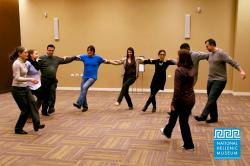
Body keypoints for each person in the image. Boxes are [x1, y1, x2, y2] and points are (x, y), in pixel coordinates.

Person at [194, 39, 246, 123]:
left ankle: (203, 116)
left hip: (220, 80)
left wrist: (241, 70)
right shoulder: (210, 54)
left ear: (212, 45)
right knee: (212, 99)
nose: (206, 48)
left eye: (207, 46)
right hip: (210, 79)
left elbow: (232, 62)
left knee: (211, 98)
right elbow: (199, 54)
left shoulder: (221, 53)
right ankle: (214, 118)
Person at [160, 49, 195, 151]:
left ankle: (189, 145)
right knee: (174, 114)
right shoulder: (192, 68)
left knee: (183, 122)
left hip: (182, 100)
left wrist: (172, 103)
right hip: (191, 99)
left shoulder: (179, 70)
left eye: (178, 56)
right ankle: (167, 131)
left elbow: (177, 90)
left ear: (182, 58)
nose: (177, 58)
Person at [9, 46, 45, 134]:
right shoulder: (16, 63)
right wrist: (30, 79)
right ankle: (18, 129)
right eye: (25, 52)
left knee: (33, 103)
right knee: (25, 110)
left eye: (27, 52)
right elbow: (17, 78)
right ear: (19, 54)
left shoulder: (25, 62)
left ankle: (37, 124)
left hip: (25, 87)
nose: (27, 54)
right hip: (17, 89)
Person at [73, 45, 116, 112]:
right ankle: (85, 106)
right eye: (88, 50)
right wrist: (66, 58)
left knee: (84, 87)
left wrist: (116, 62)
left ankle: (79, 103)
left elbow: (107, 61)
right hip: (85, 77)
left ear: (93, 51)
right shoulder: (84, 57)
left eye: (90, 50)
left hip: (92, 77)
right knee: (83, 91)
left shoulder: (98, 58)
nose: (89, 52)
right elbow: (75, 58)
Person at [38, 44, 77, 116]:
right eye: (49, 50)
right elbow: (35, 67)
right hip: (44, 81)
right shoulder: (41, 59)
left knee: (52, 93)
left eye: (52, 50)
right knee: (45, 97)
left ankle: (51, 107)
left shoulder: (56, 59)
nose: (51, 52)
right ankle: (44, 111)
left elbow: (65, 60)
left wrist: (74, 57)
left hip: (53, 80)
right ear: (47, 50)